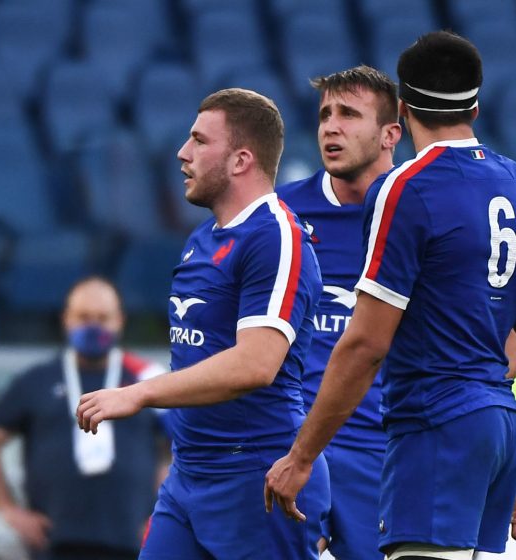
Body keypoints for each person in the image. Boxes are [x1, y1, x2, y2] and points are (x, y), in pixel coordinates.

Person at [263, 30, 516, 560]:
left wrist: (302, 457)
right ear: (475, 104)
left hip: (435, 426)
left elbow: (366, 345)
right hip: (502, 429)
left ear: (402, 110)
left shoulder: (404, 188)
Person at [76, 88, 329, 559]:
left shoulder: (276, 237)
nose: (182, 153)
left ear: (240, 161)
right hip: (189, 475)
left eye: (198, 141)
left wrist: (139, 393)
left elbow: (256, 364)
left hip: (257, 475)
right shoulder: (200, 238)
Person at [275, 65, 401, 560]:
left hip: (384, 457)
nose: (331, 125)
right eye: (325, 113)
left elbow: (511, 342)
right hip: (288, 448)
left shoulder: (424, 214)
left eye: (349, 114)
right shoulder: (279, 215)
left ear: (391, 133)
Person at [0, 276, 170, 560]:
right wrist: (9, 510)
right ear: (66, 319)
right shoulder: (36, 381)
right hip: (51, 545)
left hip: (133, 545)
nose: (93, 326)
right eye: (84, 317)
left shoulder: (145, 380)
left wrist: (161, 513)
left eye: (103, 318)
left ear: (120, 321)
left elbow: (179, 448)